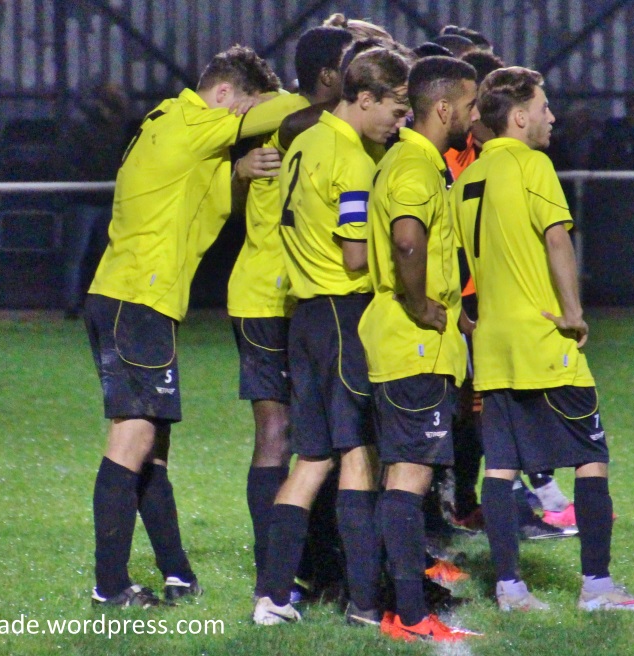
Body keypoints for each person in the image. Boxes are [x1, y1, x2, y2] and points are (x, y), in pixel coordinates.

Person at [84, 45, 305, 609]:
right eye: (243, 108)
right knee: (133, 437)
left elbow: (187, 191)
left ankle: (178, 573)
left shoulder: (168, 122)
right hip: (139, 298)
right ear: (224, 94)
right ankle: (109, 587)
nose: (245, 121)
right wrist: (299, 93)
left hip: (125, 294)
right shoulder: (196, 121)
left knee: (153, 446)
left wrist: (237, 170)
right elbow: (289, 109)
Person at [452, 66, 634, 612]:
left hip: (492, 342)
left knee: (501, 465)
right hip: (542, 336)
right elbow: (556, 239)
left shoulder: (468, 178)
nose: (551, 117)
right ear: (520, 117)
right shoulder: (532, 164)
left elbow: (458, 260)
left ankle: (509, 588)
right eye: (544, 107)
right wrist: (572, 312)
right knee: (591, 456)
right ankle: (597, 587)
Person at [252, 47, 411, 627]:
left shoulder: (305, 141)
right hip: (344, 315)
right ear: (365, 98)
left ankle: (272, 597)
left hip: (304, 317)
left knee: (310, 459)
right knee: (356, 454)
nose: (399, 122)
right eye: (395, 109)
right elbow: (354, 256)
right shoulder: (352, 160)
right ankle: (365, 603)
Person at [227, 25, 353, 602]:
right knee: (279, 435)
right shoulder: (293, 119)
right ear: (329, 77)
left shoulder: (306, 121)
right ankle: (273, 573)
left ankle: (315, 564)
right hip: (267, 296)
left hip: (300, 297)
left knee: (318, 438)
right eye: (351, 65)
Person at [358, 56, 482, 642]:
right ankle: (409, 616)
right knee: (407, 481)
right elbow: (407, 240)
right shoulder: (414, 165)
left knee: (402, 479)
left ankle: (401, 606)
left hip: (409, 346)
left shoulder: (413, 160)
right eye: (470, 105)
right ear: (444, 108)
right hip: (412, 347)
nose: (475, 117)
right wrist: (419, 304)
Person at [61, 83, 133, 320]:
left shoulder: (116, 126)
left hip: (105, 196)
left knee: (105, 255)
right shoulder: (83, 126)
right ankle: (73, 305)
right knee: (77, 256)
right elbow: (74, 161)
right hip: (85, 198)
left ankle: (104, 303)